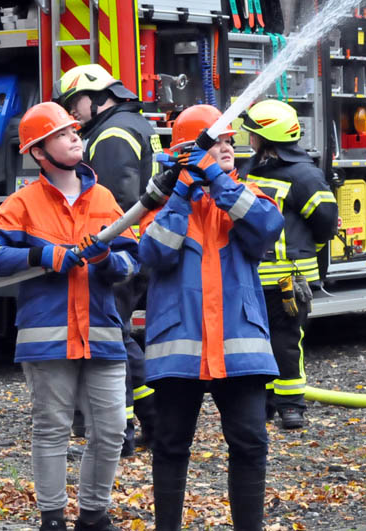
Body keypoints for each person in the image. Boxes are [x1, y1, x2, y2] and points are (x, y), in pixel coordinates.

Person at [0, 101, 138, 531]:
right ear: (39, 152)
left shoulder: (102, 198)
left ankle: (93, 515)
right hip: (47, 338)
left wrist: (107, 262)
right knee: (52, 430)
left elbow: (131, 263)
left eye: (74, 131)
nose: (75, 138)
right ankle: (52, 518)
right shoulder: (22, 203)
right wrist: (41, 255)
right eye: (63, 134)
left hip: (102, 333)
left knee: (111, 432)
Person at [138, 104, 284, 531]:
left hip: (239, 350)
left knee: (250, 444)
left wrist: (216, 179)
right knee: (169, 445)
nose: (227, 149)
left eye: (228, 142)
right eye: (216, 142)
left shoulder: (246, 194)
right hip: (178, 349)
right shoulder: (161, 200)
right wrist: (182, 190)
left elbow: (265, 228)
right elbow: (154, 253)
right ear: (188, 150)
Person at [53, 63, 159, 454]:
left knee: (111, 342)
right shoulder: (133, 125)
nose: (71, 113)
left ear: (97, 97)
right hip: (138, 247)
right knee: (122, 338)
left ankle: (121, 434)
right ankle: (153, 420)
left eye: (73, 103)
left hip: (120, 250)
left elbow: (113, 204)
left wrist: (98, 249)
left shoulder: (112, 135)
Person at [237, 99, 338, 430]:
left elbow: (326, 221)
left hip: (288, 280)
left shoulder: (305, 176)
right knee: (257, 342)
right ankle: (263, 403)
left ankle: (291, 406)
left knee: (285, 342)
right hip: (251, 278)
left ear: (266, 139)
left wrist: (307, 252)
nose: (248, 139)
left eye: (252, 134)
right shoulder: (248, 171)